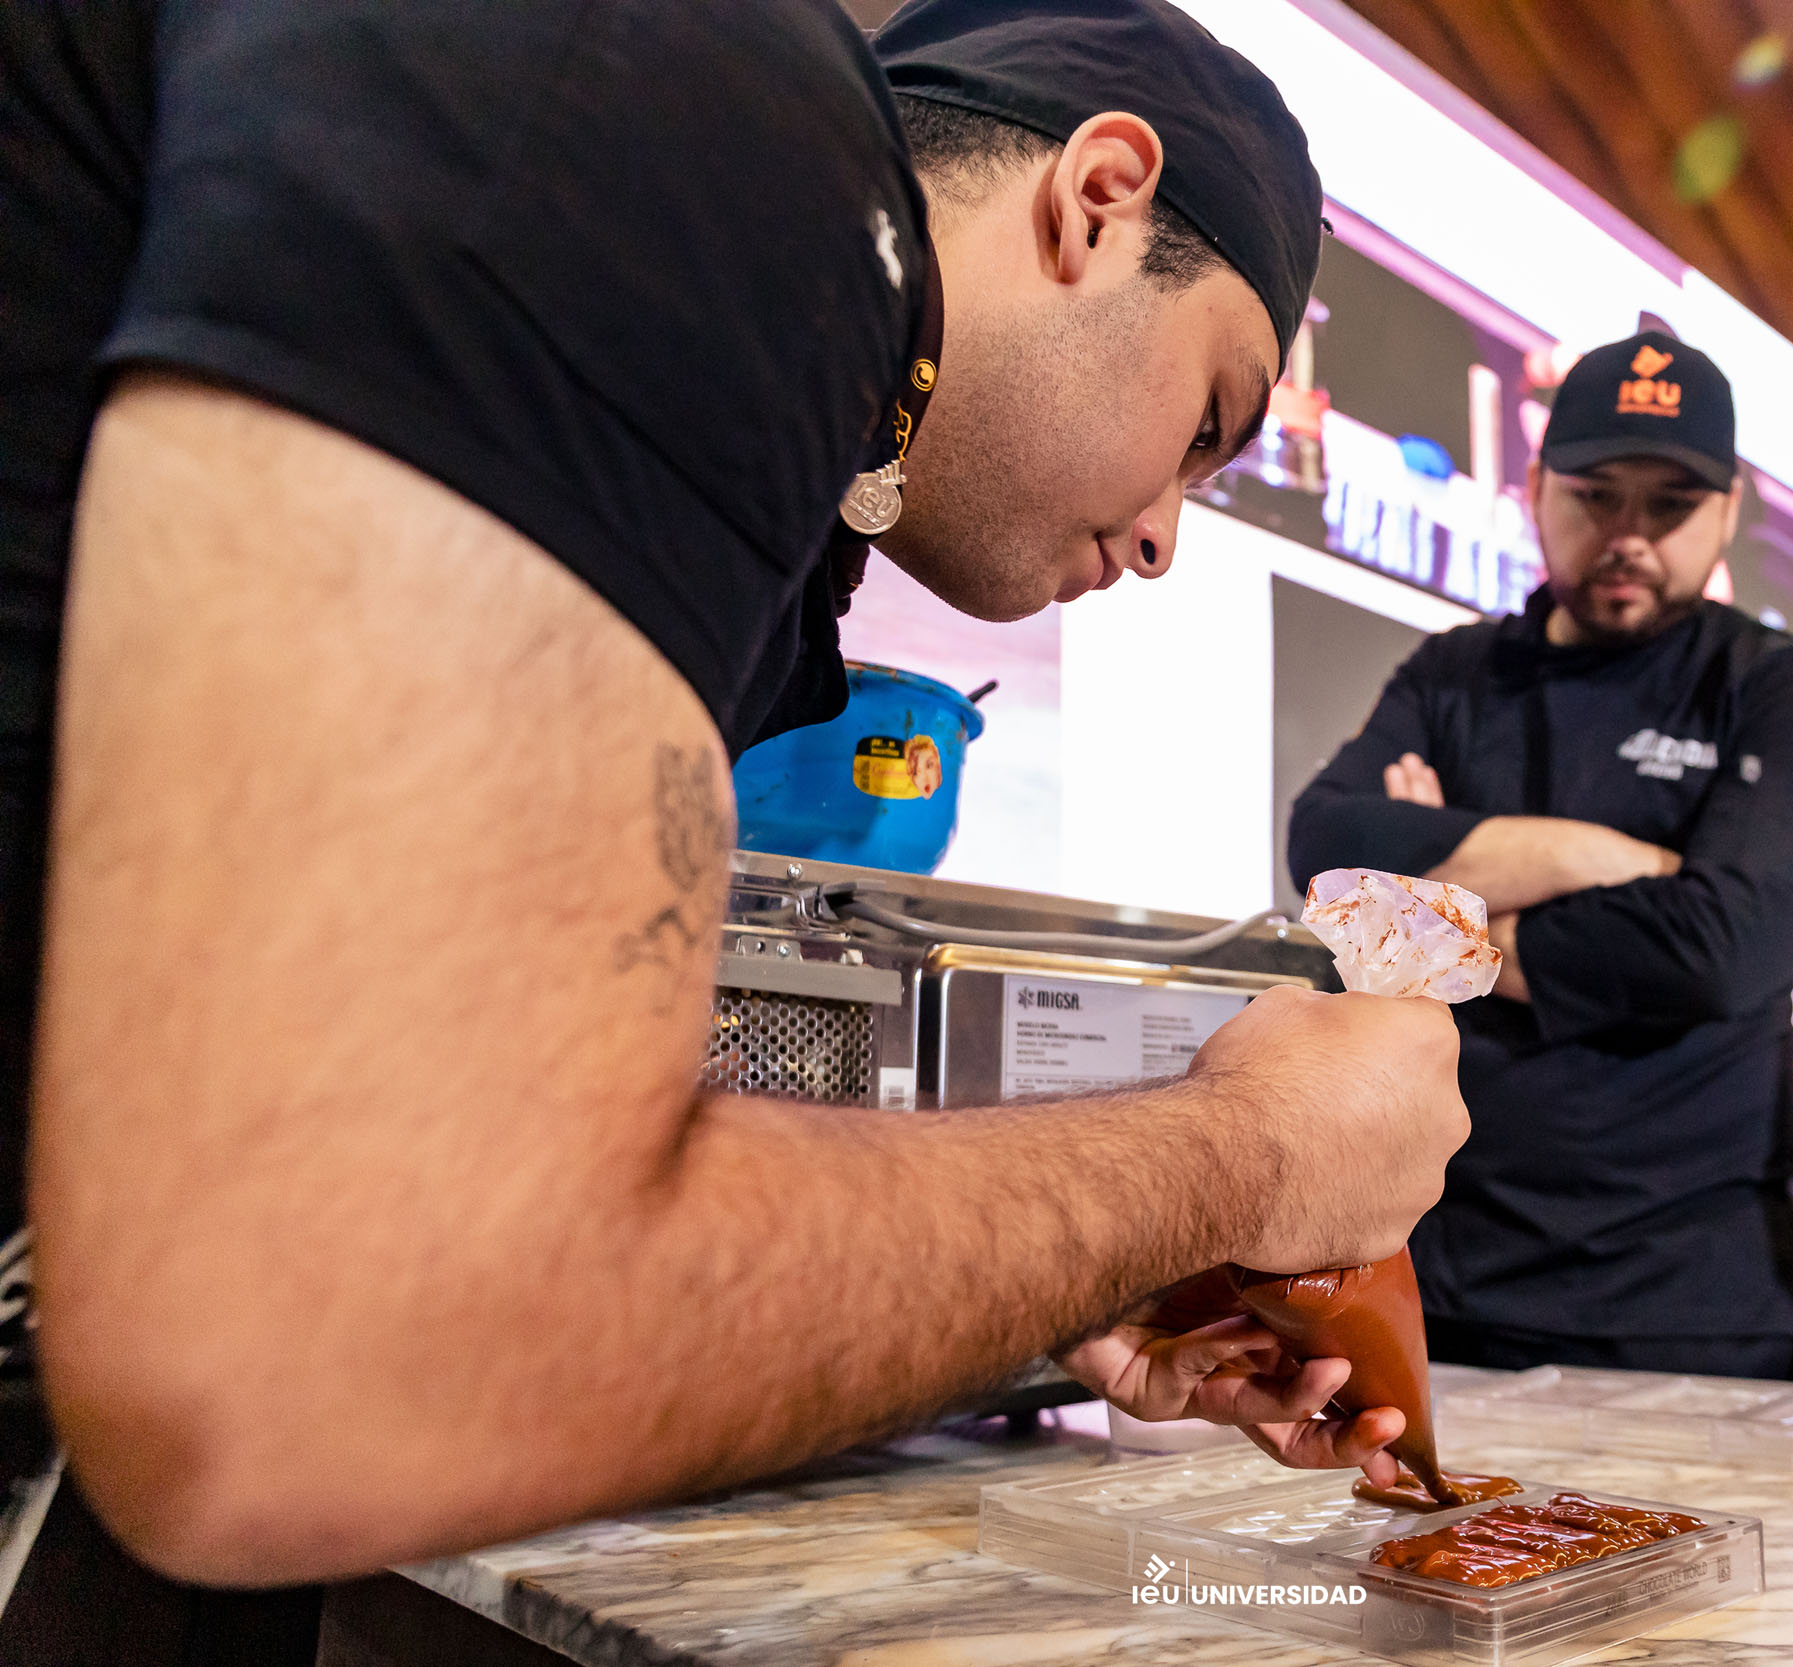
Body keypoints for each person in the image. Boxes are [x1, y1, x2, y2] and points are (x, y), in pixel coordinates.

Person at [0, 0, 1469, 1647]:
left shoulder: (747, 490)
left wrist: (1054, 1275)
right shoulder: (683, 100)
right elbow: (335, 1354)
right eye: (1205, 426)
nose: (1162, 544)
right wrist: (1238, 1157)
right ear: (1097, 196)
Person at [1287, 332, 1793, 1379]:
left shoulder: (1775, 686)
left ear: (1726, 511)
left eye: (1670, 504)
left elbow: (1723, 943)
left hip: (1692, 1303)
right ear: (1539, 489)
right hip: (1445, 1278)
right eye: (1597, 494)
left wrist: (1436, 925)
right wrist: (1608, 859)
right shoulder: (1455, 674)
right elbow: (1327, 857)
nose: (1629, 534)